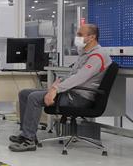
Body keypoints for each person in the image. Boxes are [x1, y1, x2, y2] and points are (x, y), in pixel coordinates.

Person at [9, 24, 111, 152]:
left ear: (92, 37)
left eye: (80, 35)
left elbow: (79, 78)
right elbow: (73, 75)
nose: (77, 37)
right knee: (24, 93)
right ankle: (26, 134)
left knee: (34, 97)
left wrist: (56, 89)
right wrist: (57, 84)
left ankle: (29, 141)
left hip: (79, 98)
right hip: (71, 92)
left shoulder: (97, 56)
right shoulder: (85, 54)